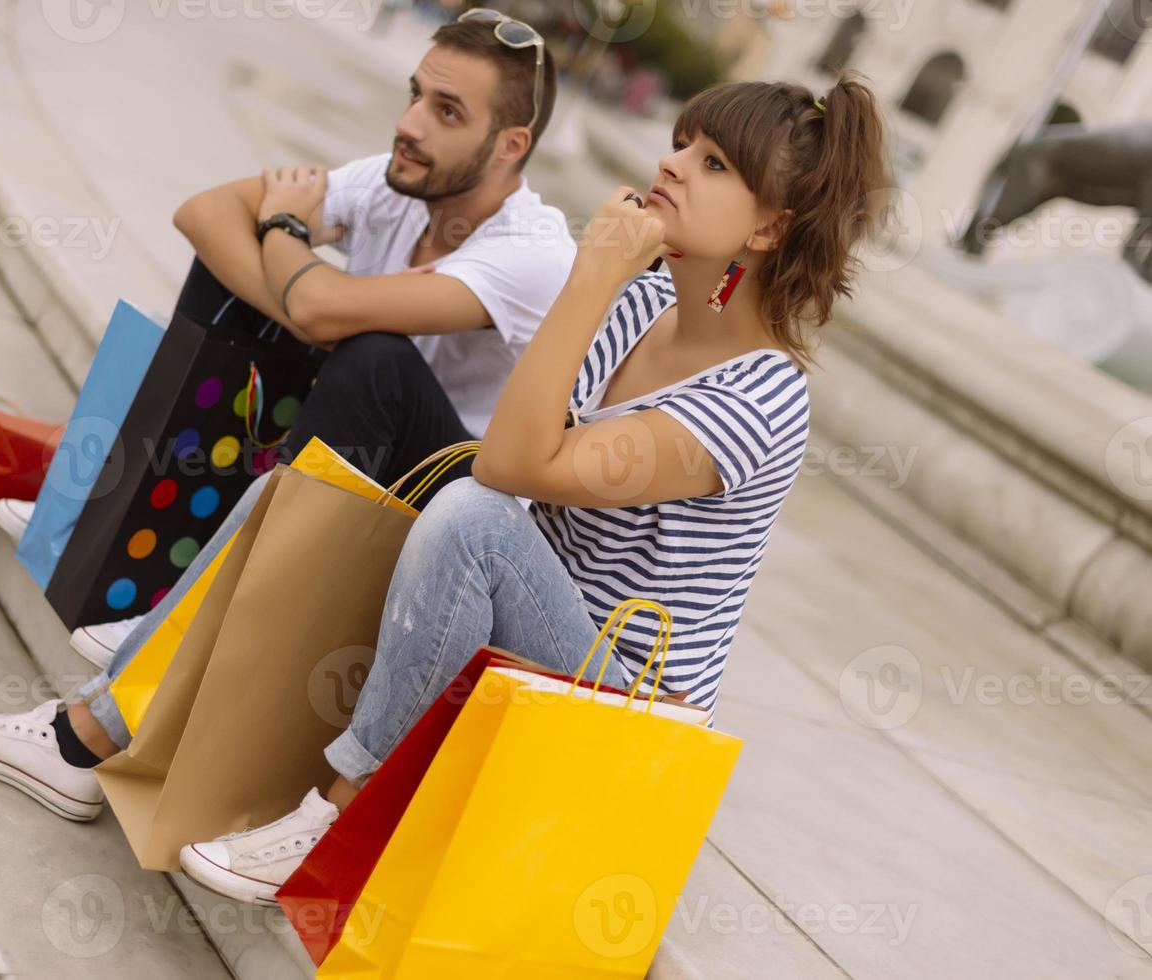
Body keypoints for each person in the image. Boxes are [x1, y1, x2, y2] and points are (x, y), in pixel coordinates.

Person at [174, 71, 894, 905]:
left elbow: (508, 470)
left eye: (716, 165)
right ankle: (137, 690)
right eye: (683, 144)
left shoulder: (760, 398)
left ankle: (339, 820)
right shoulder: (647, 301)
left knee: (472, 516)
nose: (674, 166)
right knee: (373, 408)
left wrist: (590, 278)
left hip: (624, 696)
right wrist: (607, 290)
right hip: (546, 617)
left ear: (770, 227)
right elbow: (520, 443)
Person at [0, 10, 574, 819]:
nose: (408, 124)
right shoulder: (401, 177)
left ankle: (82, 736)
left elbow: (330, 305)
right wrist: (301, 294)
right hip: (335, 471)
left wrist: (289, 239)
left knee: (369, 352)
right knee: (263, 286)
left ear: (510, 145)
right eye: (415, 94)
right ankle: (144, 565)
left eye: (447, 112)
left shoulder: (535, 253)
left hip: (432, 533)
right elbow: (203, 212)